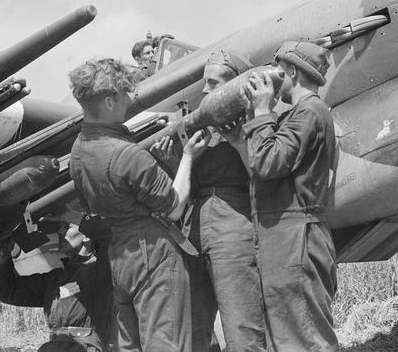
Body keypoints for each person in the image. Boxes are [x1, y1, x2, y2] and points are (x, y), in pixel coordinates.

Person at [67, 58, 208, 351]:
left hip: (121, 254)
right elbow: (174, 206)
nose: (129, 99)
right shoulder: (129, 155)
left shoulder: (78, 150)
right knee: (166, 342)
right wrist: (188, 157)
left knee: (129, 343)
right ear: (108, 102)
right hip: (154, 251)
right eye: (123, 95)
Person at [155, 49, 266, 351]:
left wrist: (239, 141)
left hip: (234, 228)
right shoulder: (199, 125)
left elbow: (265, 175)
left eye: (214, 83)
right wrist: (174, 161)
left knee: (242, 326)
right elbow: (183, 192)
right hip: (194, 231)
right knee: (193, 327)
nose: (205, 90)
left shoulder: (256, 123)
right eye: (205, 83)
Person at [234, 41, 339, 351]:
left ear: (292, 71)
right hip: (287, 238)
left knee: (305, 337)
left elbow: (268, 163)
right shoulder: (303, 114)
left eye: (278, 70)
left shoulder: (308, 112)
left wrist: (263, 110)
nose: (273, 78)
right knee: (288, 333)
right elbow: (265, 167)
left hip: (296, 240)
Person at [0, 223, 111, 352]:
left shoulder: (103, 271)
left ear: (87, 236)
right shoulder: (55, 279)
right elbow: (9, 290)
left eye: (67, 226)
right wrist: (4, 257)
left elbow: (112, 235)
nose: (59, 232)